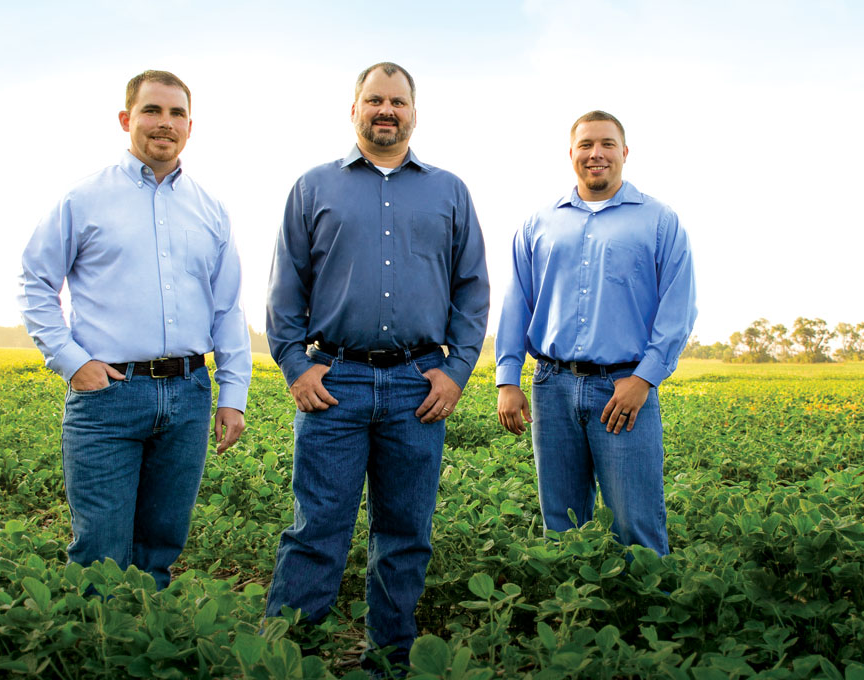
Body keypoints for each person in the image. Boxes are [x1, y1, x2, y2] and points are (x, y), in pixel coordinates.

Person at [264, 62, 489, 670]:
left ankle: (387, 661)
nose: (385, 110)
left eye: (397, 101)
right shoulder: (313, 188)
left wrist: (457, 370)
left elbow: (472, 291)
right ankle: (286, 657)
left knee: (405, 534)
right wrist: (294, 366)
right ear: (354, 109)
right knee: (316, 530)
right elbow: (285, 293)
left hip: (419, 384)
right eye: (374, 100)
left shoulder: (449, 191)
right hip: (335, 383)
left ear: (414, 112)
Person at [18, 70, 251, 589]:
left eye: (176, 113)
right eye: (152, 111)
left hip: (189, 394)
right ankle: (96, 653)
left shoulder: (211, 209)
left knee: (160, 549)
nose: (164, 123)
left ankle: (146, 645)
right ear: (127, 119)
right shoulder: (84, 199)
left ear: (190, 126)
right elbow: (35, 282)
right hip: (109, 396)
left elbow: (227, 309)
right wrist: (72, 361)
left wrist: (233, 394)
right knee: (100, 552)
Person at [495, 110, 696, 556]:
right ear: (571, 154)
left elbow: (678, 308)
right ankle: (574, 616)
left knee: (636, 521)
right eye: (586, 145)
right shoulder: (538, 224)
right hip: (552, 385)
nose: (596, 154)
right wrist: (508, 379)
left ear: (624, 153)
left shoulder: (660, 221)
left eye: (606, 144)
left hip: (623, 387)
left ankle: (648, 617)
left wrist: (643, 379)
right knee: (562, 522)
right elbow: (516, 302)